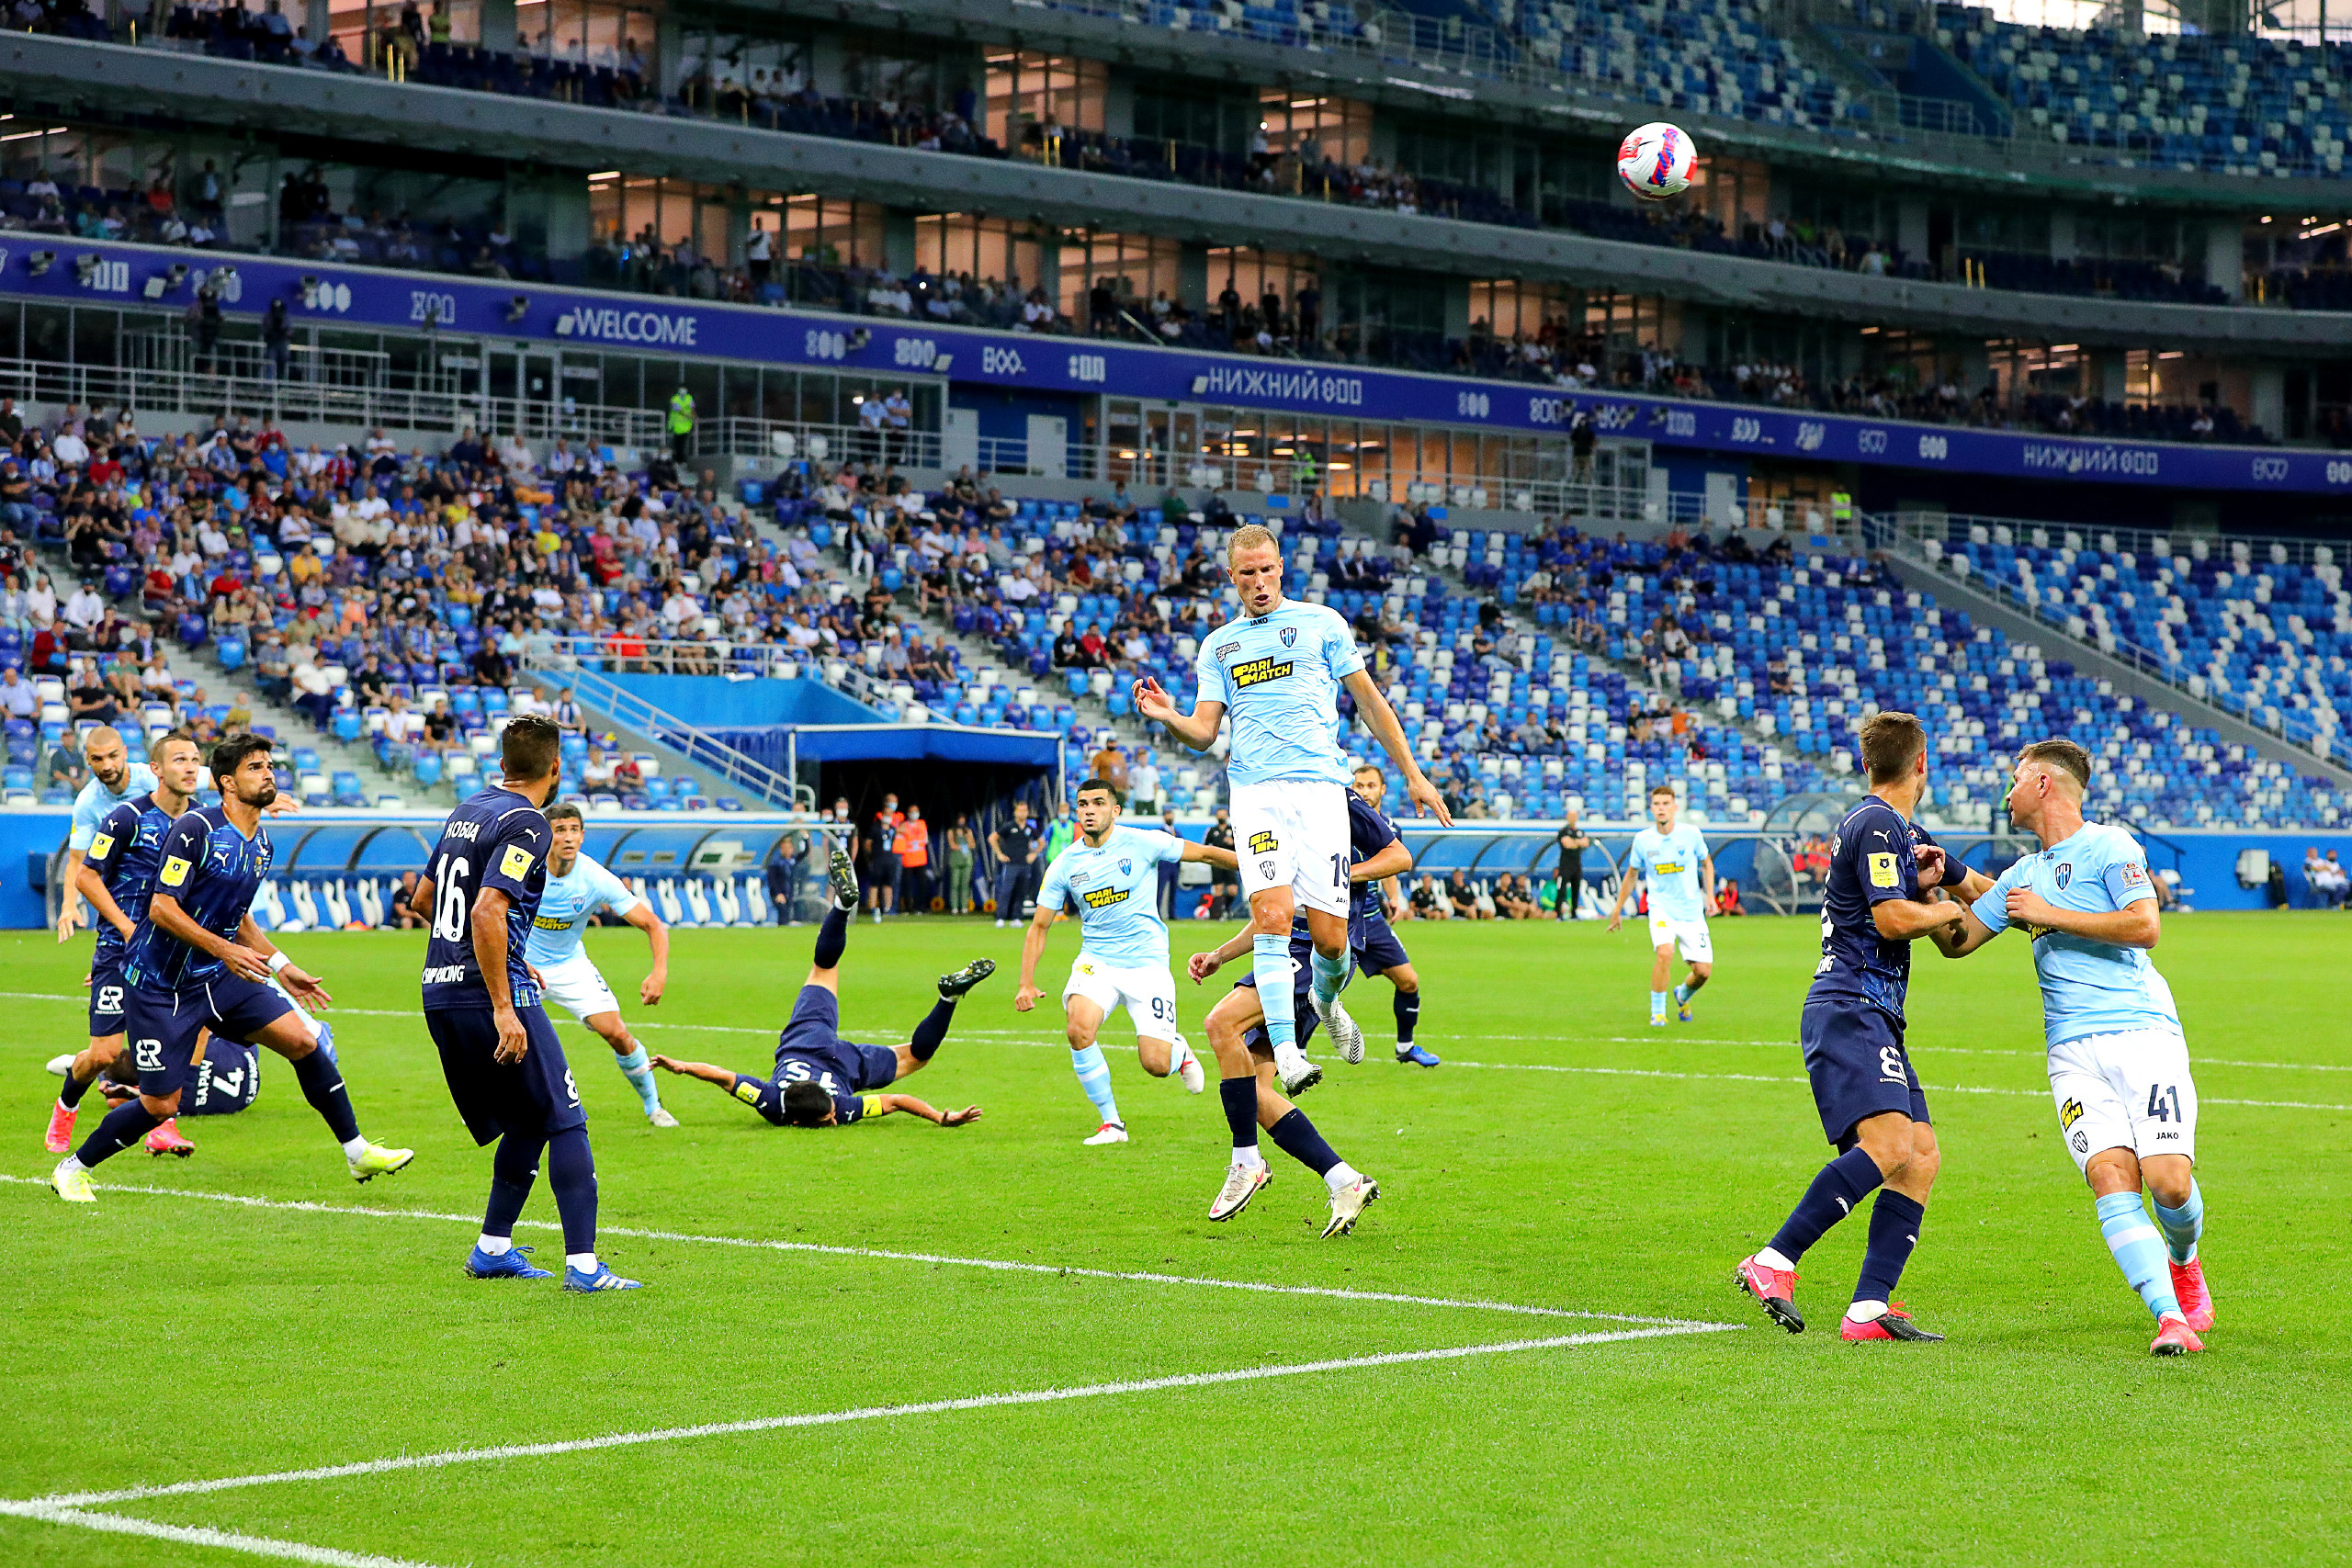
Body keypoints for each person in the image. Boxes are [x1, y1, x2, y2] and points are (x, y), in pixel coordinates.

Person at [1132, 522, 1449, 1153]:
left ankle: (1328, 1004)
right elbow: (1204, 730)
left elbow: (1371, 703)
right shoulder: (1218, 647)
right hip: (1256, 793)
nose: (1257, 582)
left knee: (1331, 942)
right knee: (1273, 916)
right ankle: (1289, 1050)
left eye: (1266, 570)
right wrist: (1169, 716)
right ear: (1231, 577)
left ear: (1281, 568)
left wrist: (1412, 773)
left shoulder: (1322, 624)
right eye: (1245, 573)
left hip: (1319, 791)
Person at [1928, 739, 2213, 1356]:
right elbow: (1958, 940)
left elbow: (2146, 925)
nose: (2006, 791)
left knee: (2167, 1183)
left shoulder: (2110, 845)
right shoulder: (2021, 875)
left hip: (2143, 1034)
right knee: (2111, 1174)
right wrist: (1931, 889)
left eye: (2013, 778)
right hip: (2071, 1051)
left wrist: (2050, 914)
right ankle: (2171, 1317)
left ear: (2041, 783)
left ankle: (2185, 1261)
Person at [51, 735, 413, 1202]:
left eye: (269, 766)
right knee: (161, 1105)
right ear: (227, 782)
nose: (269, 775)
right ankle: (73, 1168)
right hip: (160, 986)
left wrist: (282, 964)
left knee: (304, 1039)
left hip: (217, 978)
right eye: (255, 768)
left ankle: (357, 1150)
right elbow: (161, 908)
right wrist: (224, 950)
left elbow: (238, 917)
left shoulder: (260, 843)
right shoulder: (195, 829)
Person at [1732, 712, 1966, 1345]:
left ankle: (1868, 1309)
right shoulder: (1873, 823)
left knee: (1919, 1155)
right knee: (1891, 1144)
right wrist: (1943, 904)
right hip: (1849, 1003)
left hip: (1876, 1012)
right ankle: (1774, 1259)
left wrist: (2036, 906)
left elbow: (1979, 893)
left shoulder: (1902, 833)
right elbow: (1892, 920)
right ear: (1923, 764)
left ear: (1868, 764)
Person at [413, 716, 636, 1292]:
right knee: (566, 1118)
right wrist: (504, 1001)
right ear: (555, 768)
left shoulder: (468, 810)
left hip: (439, 989)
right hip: (486, 996)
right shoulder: (529, 825)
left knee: (528, 1120)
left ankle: (492, 1248)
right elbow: (487, 911)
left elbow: (423, 897)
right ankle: (584, 1268)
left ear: (505, 763)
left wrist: (508, 955)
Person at [1182, 786, 1413, 1232]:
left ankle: (1247, 1161)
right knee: (1255, 1094)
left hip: (1314, 955)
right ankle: (1345, 1180)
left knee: (1220, 1023)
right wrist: (1221, 955)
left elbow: (1400, 857)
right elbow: (1274, 911)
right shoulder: (1270, 805)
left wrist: (1339, 875)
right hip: (1278, 951)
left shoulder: (1335, 799)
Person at [652, 850, 995, 1127]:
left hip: (844, 1062)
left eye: (829, 1116)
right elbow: (722, 1077)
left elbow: (895, 1102)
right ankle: (843, 907)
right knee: (824, 968)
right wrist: (681, 1066)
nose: (833, 1121)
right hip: (805, 1039)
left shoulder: (826, 1107)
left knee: (916, 1057)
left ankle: (947, 997)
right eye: (831, 1117)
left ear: (796, 1121)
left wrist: (940, 1117)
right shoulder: (770, 1098)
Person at [44, 732, 264, 1158]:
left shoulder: (203, 821)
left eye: (195, 760)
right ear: (157, 770)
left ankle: (165, 1125)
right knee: (103, 1051)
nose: (190, 768)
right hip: (119, 946)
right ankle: (67, 1104)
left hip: (172, 957)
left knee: (191, 1030)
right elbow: (88, 875)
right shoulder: (125, 817)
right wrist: (128, 929)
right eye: (180, 759)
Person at [1014, 778, 1231, 1145]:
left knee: (1155, 1065)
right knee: (1078, 1029)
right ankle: (1111, 1123)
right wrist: (1025, 982)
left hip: (1147, 964)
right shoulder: (1065, 864)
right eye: (1082, 804)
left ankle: (1178, 1051)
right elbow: (1039, 926)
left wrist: (1257, 871)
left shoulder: (1143, 841)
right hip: (1096, 961)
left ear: (1114, 810)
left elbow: (1206, 854)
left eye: (1098, 803)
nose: (1088, 810)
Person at [523, 803, 676, 1128]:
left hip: (569, 965)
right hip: (522, 964)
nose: (567, 837)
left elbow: (653, 925)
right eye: (559, 829)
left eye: (574, 830)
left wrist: (659, 971)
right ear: (545, 834)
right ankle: (490, 1107)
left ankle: (654, 1106)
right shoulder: (524, 870)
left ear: (582, 835)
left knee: (617, 1033)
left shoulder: (594, 878)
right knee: (503, 1035)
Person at [1346, 764, 1437, 1067]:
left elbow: (1391, 864)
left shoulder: (1390, 827)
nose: (1365, 791)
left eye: (1371, 785)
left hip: (1371, 919)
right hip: (1338, 918)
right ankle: (1299, 1052)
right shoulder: (1340, 821)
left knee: (1409, 981)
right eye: (1359, 785)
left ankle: (1405, 1046)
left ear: (1383, 789)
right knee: (1317, 985)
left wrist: (1394, 898)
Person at [1604, 784, 1715, 1028]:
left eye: (1666, 804)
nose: (1661, 808)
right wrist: (1617, 909)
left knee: (1703, 972)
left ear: (1675, 808)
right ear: (1651, 809)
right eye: (1657, 804)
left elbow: (1706, 863)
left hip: (1691, 911)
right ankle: (1658, 1013)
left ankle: (1682, 995)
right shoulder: (1643, 840)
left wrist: (1710, 896)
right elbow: (1631, 874)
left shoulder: (1691, 834)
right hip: (1661, 908)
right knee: (1665, 952)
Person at [55, 726, 153, 942]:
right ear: (88, 760)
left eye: (113, 756)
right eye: (98, 759)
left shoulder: (153, 779)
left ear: (125, 752)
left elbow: (213, 779)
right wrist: (69, 904)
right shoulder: (87, 802)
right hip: (125, 896)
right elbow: (76, 861)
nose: (107, 765)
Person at [989, 798, 1045, 927]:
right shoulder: (1009, 827)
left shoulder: (1029, 828)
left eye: (1024, 810)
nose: (1022, 813)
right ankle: (1001, 917)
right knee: (1006, 890)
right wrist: (1000, 854)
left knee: (1021, 891)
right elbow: (992, 838)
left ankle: (1016, 917)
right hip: (1011, 864)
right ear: (1015, 812)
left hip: (1024, 864)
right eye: (1020, 810)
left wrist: (1034, 854)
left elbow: (1042, 841)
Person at [865, 792, 904, 922]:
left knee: (889, 884)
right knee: (875, 884)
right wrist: (871, 855)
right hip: (878, 859)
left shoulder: (893, 829)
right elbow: (868, 844)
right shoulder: (875, 828)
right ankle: (872, 907)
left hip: (890, 859)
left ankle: (888, 908)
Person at [893, 805, 931, 913]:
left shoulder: (922, 823)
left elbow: (925, 839)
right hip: (908, 859)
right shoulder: (904, 825)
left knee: (922, 884)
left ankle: (921, 906)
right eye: (912, 812)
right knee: (907, 885)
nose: (914, 814)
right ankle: (909, 907)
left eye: (916, 811)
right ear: (908, 813)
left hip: (920, 858)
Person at [1553, 811, 1591, 920]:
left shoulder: (1580, 832)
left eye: (1575, 816)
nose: (1573, 818)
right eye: (1571, 816)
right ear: (1567, 817)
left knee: (1576, 888)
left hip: (1577, 865)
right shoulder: (1563, 831)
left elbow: (1586, 843)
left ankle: (1574, 913)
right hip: (1565, 865)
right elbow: (1567, 844)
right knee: (1562, 889)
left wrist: (1574, 842)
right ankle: (1558, 914)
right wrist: (1577, 843)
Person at [1203, 807, 1238, 919]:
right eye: (1219, 815)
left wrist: (1233, 843)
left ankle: (1227, 908)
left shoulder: (1232, 829)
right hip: (1217, 863)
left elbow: (1241, 846)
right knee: (1218, 889)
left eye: (1223, 815)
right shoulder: (1212, 831)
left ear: (1227, 816)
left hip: (1230, 862)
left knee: (1233, 890)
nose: (1221, 817)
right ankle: (1219, 913)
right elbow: (1205, 845)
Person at [944, 813, 977, 915]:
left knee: (965, 884)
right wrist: (963, 846)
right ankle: (954, 907)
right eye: (960, 819)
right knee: (955, 883)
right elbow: (952, 845)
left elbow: (973, 844)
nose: (961, 822)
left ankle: (964, 907)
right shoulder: (951, 831)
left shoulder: (968, 831)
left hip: (966, 859)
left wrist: (965, 841)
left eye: (963, 819)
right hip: (956, 859)